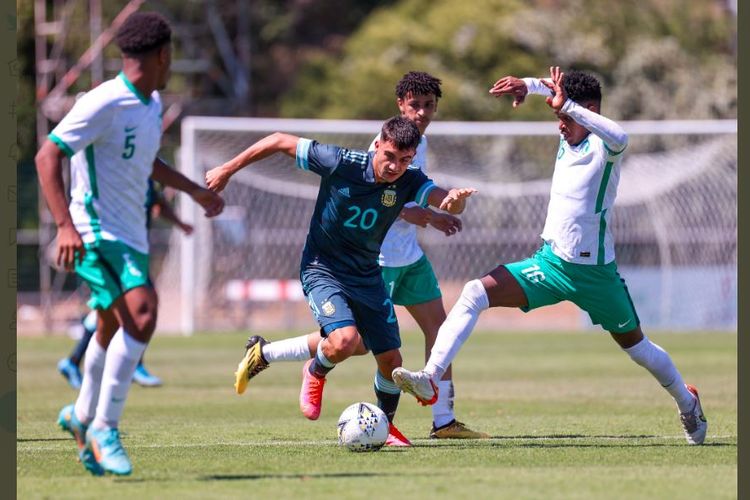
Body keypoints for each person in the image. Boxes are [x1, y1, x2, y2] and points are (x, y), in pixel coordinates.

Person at [391, 66, 708, 446]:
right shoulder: (569, 135)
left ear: (587, 110)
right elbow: (552, 89)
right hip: (550, 264)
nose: (560, 125)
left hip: (595, 275)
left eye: (566, 117)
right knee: (475, 292)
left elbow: (621, 134)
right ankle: (430, 379)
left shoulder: (605, 147)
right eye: (559, 118)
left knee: (638, 349)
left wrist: (568, 106)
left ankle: (686, 401)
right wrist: (529, 85)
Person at [232, 72, 487, 439]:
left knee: (423, 338)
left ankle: (442, 420)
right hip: (370, 259)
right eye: (414, 104)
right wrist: (420, 213)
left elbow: (421, 190)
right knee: (349, 342)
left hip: (407, 257)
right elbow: (379, 193)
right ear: (400, 106)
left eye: (428, 105)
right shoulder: (364, 155)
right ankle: (272, 356)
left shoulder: (415, 149)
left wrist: (448, 205)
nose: (421, 112)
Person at [36, 12, 224, 476]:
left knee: (109, 324)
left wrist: (192, 189)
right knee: (142, 314)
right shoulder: (103, 102)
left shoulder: (151, 103)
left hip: (131, 236)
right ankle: (104, 426)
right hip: (95, 230)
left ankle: (80, 416)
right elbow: (48, 154)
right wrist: (64, 226)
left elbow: (146, 161)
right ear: (163, 55)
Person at [57, 181, 193, 390]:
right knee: (139, 305)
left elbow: (158, 205)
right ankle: (133, 366)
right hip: (115, 250)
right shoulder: (121, 171)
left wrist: (181, 222)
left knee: (111, 309)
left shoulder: (142, 173)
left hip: (134, 251)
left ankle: (74, 361)